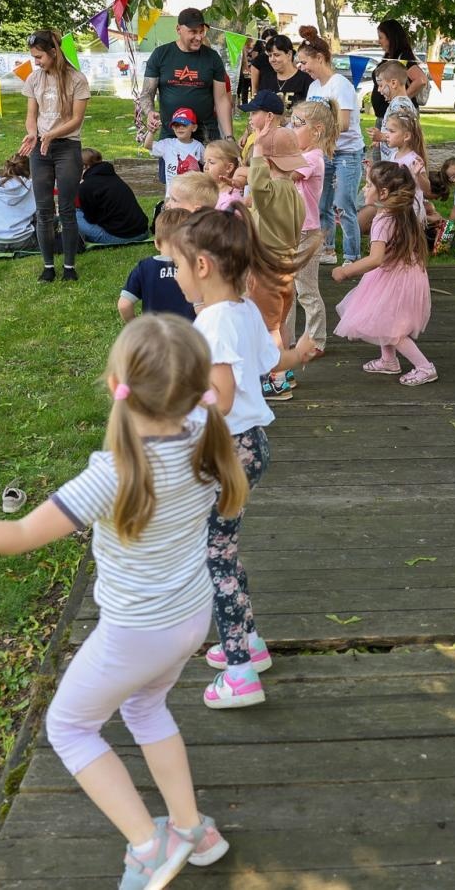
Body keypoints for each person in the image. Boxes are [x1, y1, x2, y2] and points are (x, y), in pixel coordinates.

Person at [0, 315, 247, 887]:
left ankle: (148, 844)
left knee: (70, 728)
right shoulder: (207, 444)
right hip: (190, 615)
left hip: (136, 632)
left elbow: (16, 537)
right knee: (144, 708)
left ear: (118, 385)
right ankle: (193, 829)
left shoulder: (111, 475)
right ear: (194, 388)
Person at [167, 209, 316, 709]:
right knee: (222, 548)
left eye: (178, 266)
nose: (176, 274)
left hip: (226, 451)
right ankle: (248, 642)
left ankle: (240, 674)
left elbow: (222, 397)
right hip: (249, 447)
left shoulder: (214, 321)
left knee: (215, 560)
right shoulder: (244, 308)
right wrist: (301, 352)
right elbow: (273, 363)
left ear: (203, 266)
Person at [333, 162, 436, 385]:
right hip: (406, 274)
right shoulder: (401, 211)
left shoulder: (382, 220)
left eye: (368, 184)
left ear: (384, 192)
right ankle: (388, 361)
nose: (364, 189)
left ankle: (424, 367)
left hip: (394, 278)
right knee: (384, 317)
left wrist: (345, 271)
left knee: (394, 329)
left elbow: (375, 259)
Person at [21, 28, 92, 282]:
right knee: (43, 210)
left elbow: (76, 120)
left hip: (67, 148)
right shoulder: (34, 79)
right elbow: (32, 115)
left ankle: (70, 267)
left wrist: (51, 135)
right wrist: (33, 134)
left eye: (39, 57)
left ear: (54, 52)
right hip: (40, 149)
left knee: (66, 208)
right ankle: (48, 266)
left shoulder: (77, 79)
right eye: (33, 57)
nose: (35, 62)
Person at [246, 128, 310, 400]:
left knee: (268, 326)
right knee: (279, 323)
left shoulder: (271, 192)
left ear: (269, 163)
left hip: (267, 270)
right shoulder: (294, 193)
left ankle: (277, 381)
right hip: (286, 268)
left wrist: (257, 153)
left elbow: (259, 188)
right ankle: (284, 371)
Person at [297, 39, 365, 266]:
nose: (302, 67)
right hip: (323, 152)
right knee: (320, 203)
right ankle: (327, 249)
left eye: (305, 62)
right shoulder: (313, 87)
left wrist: (317, 132)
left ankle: (351, 256)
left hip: (346, 152)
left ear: (319, 58)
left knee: (344, 203)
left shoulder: (340, 84)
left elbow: (344, 124)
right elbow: (308, 119)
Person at [141, 8, 233, 142]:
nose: (199, 37)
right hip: (172, 135)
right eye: (193, 32)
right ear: (178, 29)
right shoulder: (160, 54)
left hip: (206, 135)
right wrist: (149, 113)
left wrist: (229, 136)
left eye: (202, 31)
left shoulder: (212, 57)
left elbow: (222, 100)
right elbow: (146, 93)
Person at [286, 101, 333, 355]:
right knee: (286, 289)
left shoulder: (313, 158)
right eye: (290, 122)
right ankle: (287, 337)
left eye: (297, 124)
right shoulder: (300, 155)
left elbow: (287, 175)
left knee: (305, 290)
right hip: (288, 230)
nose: (291, 129)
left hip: (305, 232)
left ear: (316, 130)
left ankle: (316, 339)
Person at [119, 209, 197, 322]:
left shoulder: (144, 267)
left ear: (157, 243)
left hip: (155, 334)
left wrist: (134, 324)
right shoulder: (197, 267)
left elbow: (124, 305)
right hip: (190, 333)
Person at [78, 148, 151, 247]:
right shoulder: (112, 176)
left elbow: (91, 219)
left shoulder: (86, 186)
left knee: (70, 213)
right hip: (143, 232)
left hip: (120, 237)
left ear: (84, 166)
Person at [369, 18, 429, 122]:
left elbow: (421, 80)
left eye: (381, 37)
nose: (379, 41)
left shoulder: (403, 56)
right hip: (385, 116)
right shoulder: (389, 56)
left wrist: (400, 100)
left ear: (390, 37)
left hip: (397, 117)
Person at [369, 60, 419, 163]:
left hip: (399, 166)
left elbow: (404, 135)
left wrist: (381, 136)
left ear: (393, 83)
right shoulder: (395, 103)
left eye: (381, 85)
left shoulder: (401, 105)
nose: (378, 90)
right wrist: (380, 139)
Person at [248, 34, 313, 112]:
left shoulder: (306, 80)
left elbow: (310, 115)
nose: (272, 59)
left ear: (289, 54)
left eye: (276, 55)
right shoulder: (266, 80)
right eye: (270, 55)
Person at [145, 107, 205, 188]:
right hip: (171, 195)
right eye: (176, 125)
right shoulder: (167, 144)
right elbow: (148, 146)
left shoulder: (198, 146)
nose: (180, 128)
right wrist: (151, 132)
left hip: (191, 194)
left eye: (184, 124)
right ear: (173, 128)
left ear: (194, 127)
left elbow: (206, 164)